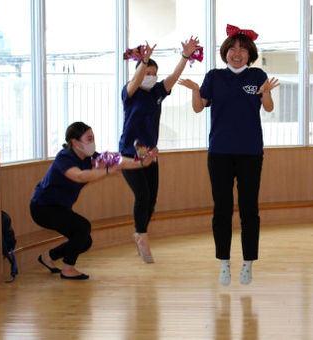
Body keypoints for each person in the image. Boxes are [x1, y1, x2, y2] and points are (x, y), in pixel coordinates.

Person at [178, 24, 279, 285]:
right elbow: (200, 109)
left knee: (249, 210)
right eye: (233, 48)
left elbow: (268, 108)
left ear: (250, 54)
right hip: (220, 153)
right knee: (221, 209)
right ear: (225, 53)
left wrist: (266, 93)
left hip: (250, 153)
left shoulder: (258, 75)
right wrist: (195, 91)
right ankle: (224, 262)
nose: (237, 53)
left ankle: (248, 263)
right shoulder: (214, 77)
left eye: (243, 49)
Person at [31, 122, 157, 280]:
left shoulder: (92, 157)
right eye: (88, 139)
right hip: (42, 208)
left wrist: (140, 163)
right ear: (75, 142)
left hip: (60, 207)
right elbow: (79, 176)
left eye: (93, 138)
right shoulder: (64, 158)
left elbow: (118, 160)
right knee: (83, 227)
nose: (92, 142)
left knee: (85, 241)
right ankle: (68, 269)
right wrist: (106, 171)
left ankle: (48, 257)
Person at [119, 38, 200, 264]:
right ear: (138, 72)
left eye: (154, 72)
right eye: (146, 71)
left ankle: (139, 233)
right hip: (129, 154)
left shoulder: (157, 92)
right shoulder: (130, 92)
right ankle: (142, 236)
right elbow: (135, 81)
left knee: (152, 199)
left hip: (150, 155)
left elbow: (173, 77)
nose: (150, 75)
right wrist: (143, 61)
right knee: (142, 194)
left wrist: (185, 56)